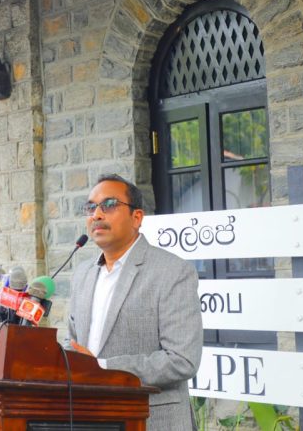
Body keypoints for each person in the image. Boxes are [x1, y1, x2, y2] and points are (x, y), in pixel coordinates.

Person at [66, 174, 202, 431]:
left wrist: (101, 367)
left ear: (137, 217)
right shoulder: (82, 274)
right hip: (88, 418)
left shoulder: (172, 271)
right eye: (91, 207)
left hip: (149, 420)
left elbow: (182, 360)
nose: (97, 214)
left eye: (109, 205)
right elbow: (72, 342)